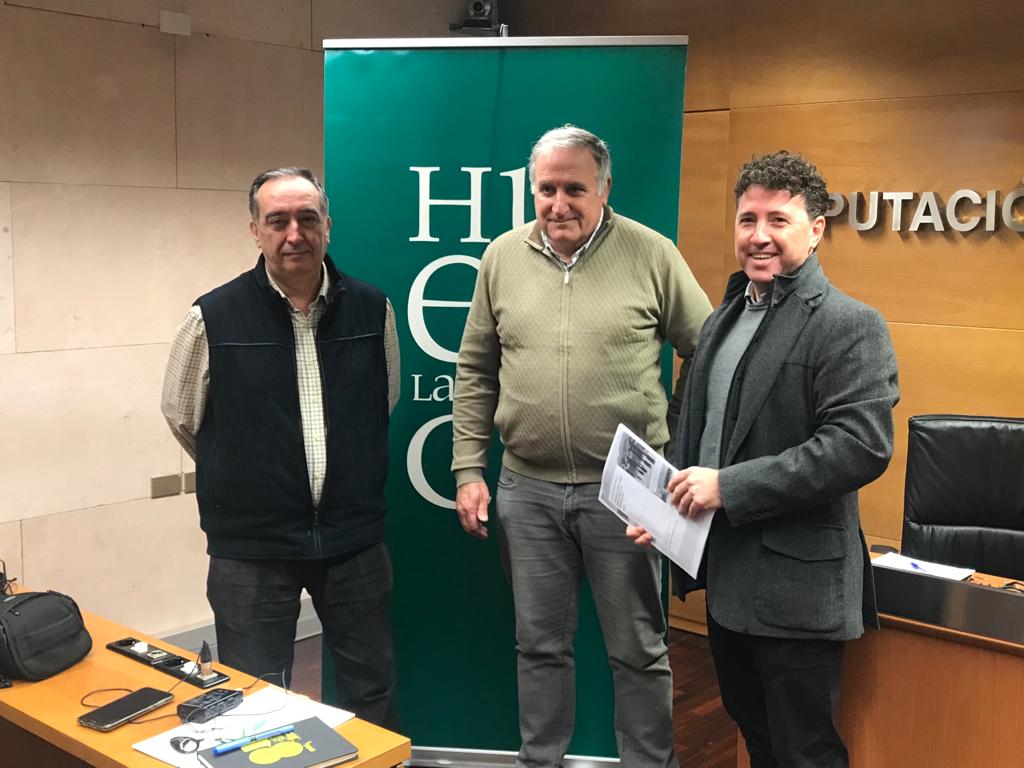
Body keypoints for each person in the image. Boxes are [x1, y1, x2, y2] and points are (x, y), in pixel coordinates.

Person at [452, 125, 712, 768]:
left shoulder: (652, 254)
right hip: (527, 489)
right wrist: (466, 468)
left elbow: (706, 352)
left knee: (639, 648)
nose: (558, 203)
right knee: (538, 647)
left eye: (575, 188)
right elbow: (476, 369)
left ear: (604, 188)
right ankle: (541, 760)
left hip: (627, 492)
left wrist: (677, 449)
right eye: (547, 188)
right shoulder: (502, 257)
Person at [630, 151, 899, 767]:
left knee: (806, 752)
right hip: (729, 583)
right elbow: (692, 428)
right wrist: (665, 510)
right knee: (757, 738)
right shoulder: (725, 317)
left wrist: (728, 486)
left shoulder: (849, 325)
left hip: (798, 591)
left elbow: (859, 446)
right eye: (748, 219)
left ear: (817, 228)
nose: (759, 236)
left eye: (778, 220)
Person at [161, 166, 400, 727]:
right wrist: (245, 470)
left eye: (307, 218)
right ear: (255, 231)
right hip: (252, 545)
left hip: (353, 538)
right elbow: (181, 416)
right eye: (278, 220)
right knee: (253, 701)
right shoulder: (211, 317)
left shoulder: (373, 310)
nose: (294, 233)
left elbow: (380, 401)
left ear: (327, 227)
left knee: (372, 691)